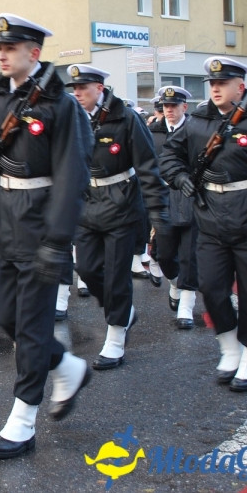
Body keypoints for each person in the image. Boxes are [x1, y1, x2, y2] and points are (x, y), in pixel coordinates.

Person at [0, 14, 92, 459]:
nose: (2, 55)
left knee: (30, 327)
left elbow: (72, 177)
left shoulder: (60, 105)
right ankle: (67, 365)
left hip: (39, 224)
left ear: (34, 53)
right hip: (4, 220)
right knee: (8, 321)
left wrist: (57, 241)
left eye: (10, 49)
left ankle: (23, 416)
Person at [160, 57, 247, 392]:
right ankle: (229, 347)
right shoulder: (198, 121)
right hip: (210, 218)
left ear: (241, 86)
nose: (216, 88)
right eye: (212, 84)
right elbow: (168, 156)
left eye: (223, 83)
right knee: (211, 287)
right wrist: (179, 177)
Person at [66, 64, 169, 368]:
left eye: (83, 88)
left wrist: (158, 214)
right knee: (86, 269)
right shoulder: (74, 119)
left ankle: (115, 336)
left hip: (122, 203)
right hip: (87, 203)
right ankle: (121, 313)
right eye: (74, 89)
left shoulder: (126, 117)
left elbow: (148, 167)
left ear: (99, 88)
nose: (77, 94)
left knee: (116, 275)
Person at [147, 86, 199, 329]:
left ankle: (187, 305)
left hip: (190, 196)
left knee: (189, 254)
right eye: (166, 106)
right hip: (163, 197)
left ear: (184, 107)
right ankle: (175, 283)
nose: (169, 110)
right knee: (165, 254)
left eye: (174, 106)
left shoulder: (195, 131)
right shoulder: (153, 132)